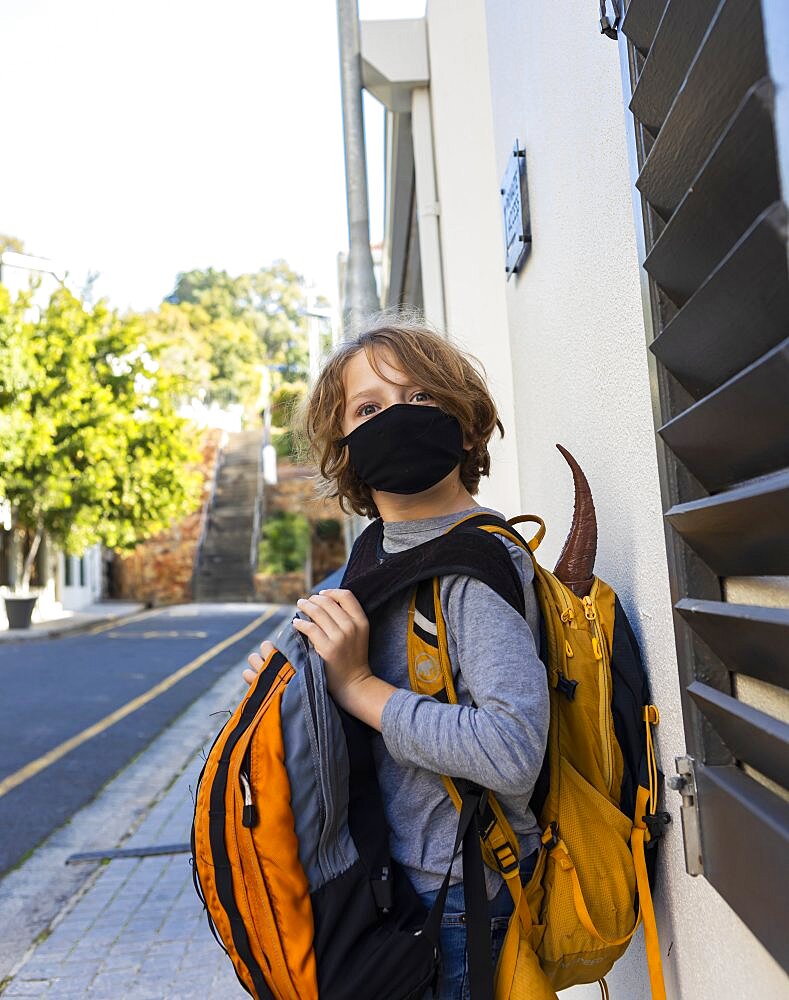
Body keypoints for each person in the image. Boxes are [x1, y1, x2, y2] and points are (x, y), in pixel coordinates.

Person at [243, 314, 550, 1000]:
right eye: (369, 407)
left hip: (466, 895)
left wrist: (354, 686)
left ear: (465, 425)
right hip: (405, 880)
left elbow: (511, 749)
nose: (397, 417)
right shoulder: (378, 551)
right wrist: (294, 687)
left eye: (419, 398)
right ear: (346, 446)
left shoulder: (469, 566)